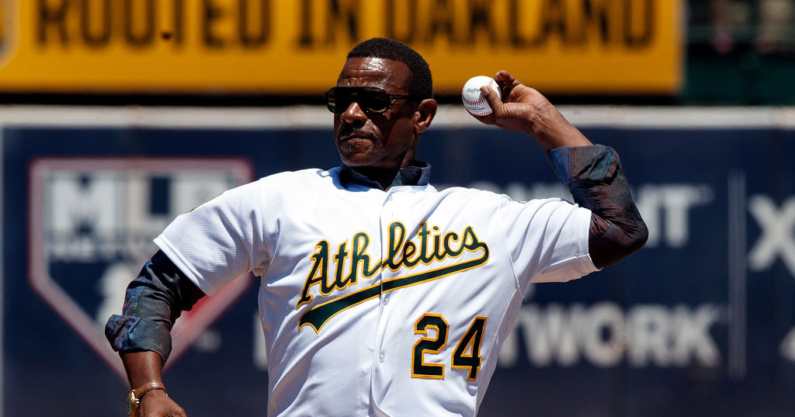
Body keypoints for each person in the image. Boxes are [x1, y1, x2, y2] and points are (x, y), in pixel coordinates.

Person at [105, 37, 648, 417]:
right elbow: (156, 286)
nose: (351, 113)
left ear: (424, 115)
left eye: (374, 101)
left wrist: (543, 123)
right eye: (341, 100)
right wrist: (146, 389)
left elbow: (620, 229)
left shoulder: (493, 222)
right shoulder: (280, 200)